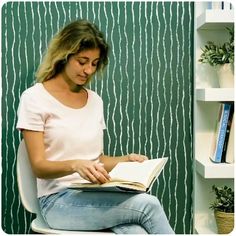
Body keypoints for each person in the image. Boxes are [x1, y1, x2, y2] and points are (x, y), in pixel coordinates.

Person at [16, 19, 174, 234]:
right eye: (82, 61)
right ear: (64, 55)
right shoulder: (34, 98)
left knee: (135, 230)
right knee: (148, 205)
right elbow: (39, 166)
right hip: (56, 202)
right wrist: (75, 165)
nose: (88, 70)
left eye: (94, 63)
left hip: (94, 193)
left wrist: (125, 160)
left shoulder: (95, 100)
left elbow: (97, 160)